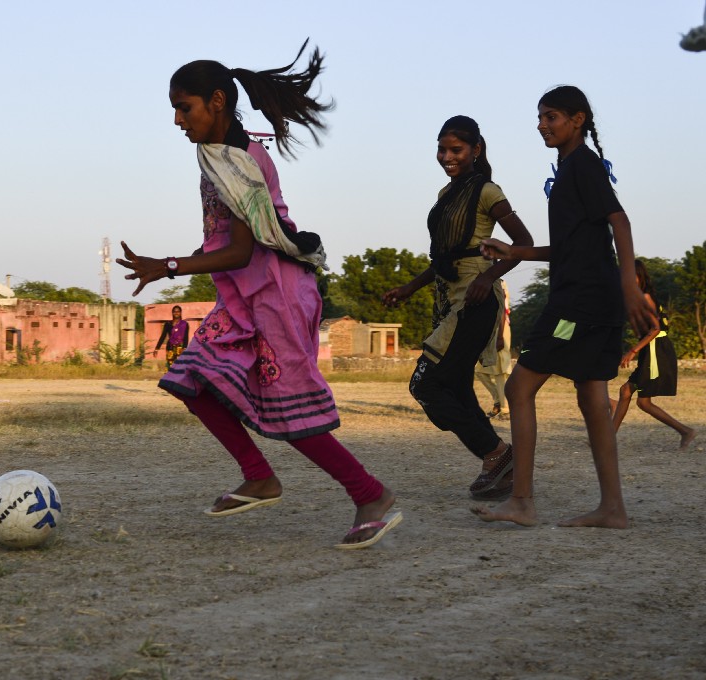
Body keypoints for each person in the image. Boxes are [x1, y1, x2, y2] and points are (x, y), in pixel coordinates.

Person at [117, 41, 400, 549]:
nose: (179, 120)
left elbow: (243, 252)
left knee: (292, 413)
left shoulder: (242, 162)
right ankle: (259, 475)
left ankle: (371, 495)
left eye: (185, 108)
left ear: (218, 102)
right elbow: (229, 244)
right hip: (244, 297)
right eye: (175, 110)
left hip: (278, 295)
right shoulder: (215, 155)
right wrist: (173, 265)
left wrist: (169, 266)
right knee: (192, 381)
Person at [472, 85, 659, 529]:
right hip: (593, 297)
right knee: (593, 396)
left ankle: (522, 501)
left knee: (519, 389)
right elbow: (571, 248)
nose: (542, 124)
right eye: (540, 117)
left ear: (577, 120)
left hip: (579, 301)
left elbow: (620, 220)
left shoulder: (583, 165)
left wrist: (630, 283)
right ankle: (613, 509)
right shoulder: (572, 168)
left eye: (551, 116)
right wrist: (513, 251)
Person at [382, 116, 533, 501]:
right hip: (450, 299)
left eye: (456, 149)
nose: (447, 156)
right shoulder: (445, 194)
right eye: (442, 149)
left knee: (427, 384)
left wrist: (489, 277)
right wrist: (409, 287)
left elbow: (523, 242)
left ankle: (497, 454)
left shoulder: (486, 191)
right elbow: (443, 257)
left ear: (475, 150)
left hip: (476, 301)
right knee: (456, 386)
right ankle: (495, 461)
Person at [611, 260, 696, 449]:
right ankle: (608, 439)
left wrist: (632, 351)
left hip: (656, 350)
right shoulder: (638, 297)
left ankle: (685, 431)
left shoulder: (646, 297)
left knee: (643, 402)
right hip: (651, 349)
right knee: (625, 391)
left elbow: (655, 329)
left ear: (640, 276)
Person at [475, 279, 513, 420]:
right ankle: (498, 400)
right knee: (480, 369)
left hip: (500, 328)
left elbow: (501, 309)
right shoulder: (484, 280)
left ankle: (505, 410)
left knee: (499, 371)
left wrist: (500, 337)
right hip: (489, 329)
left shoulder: (499, 282)